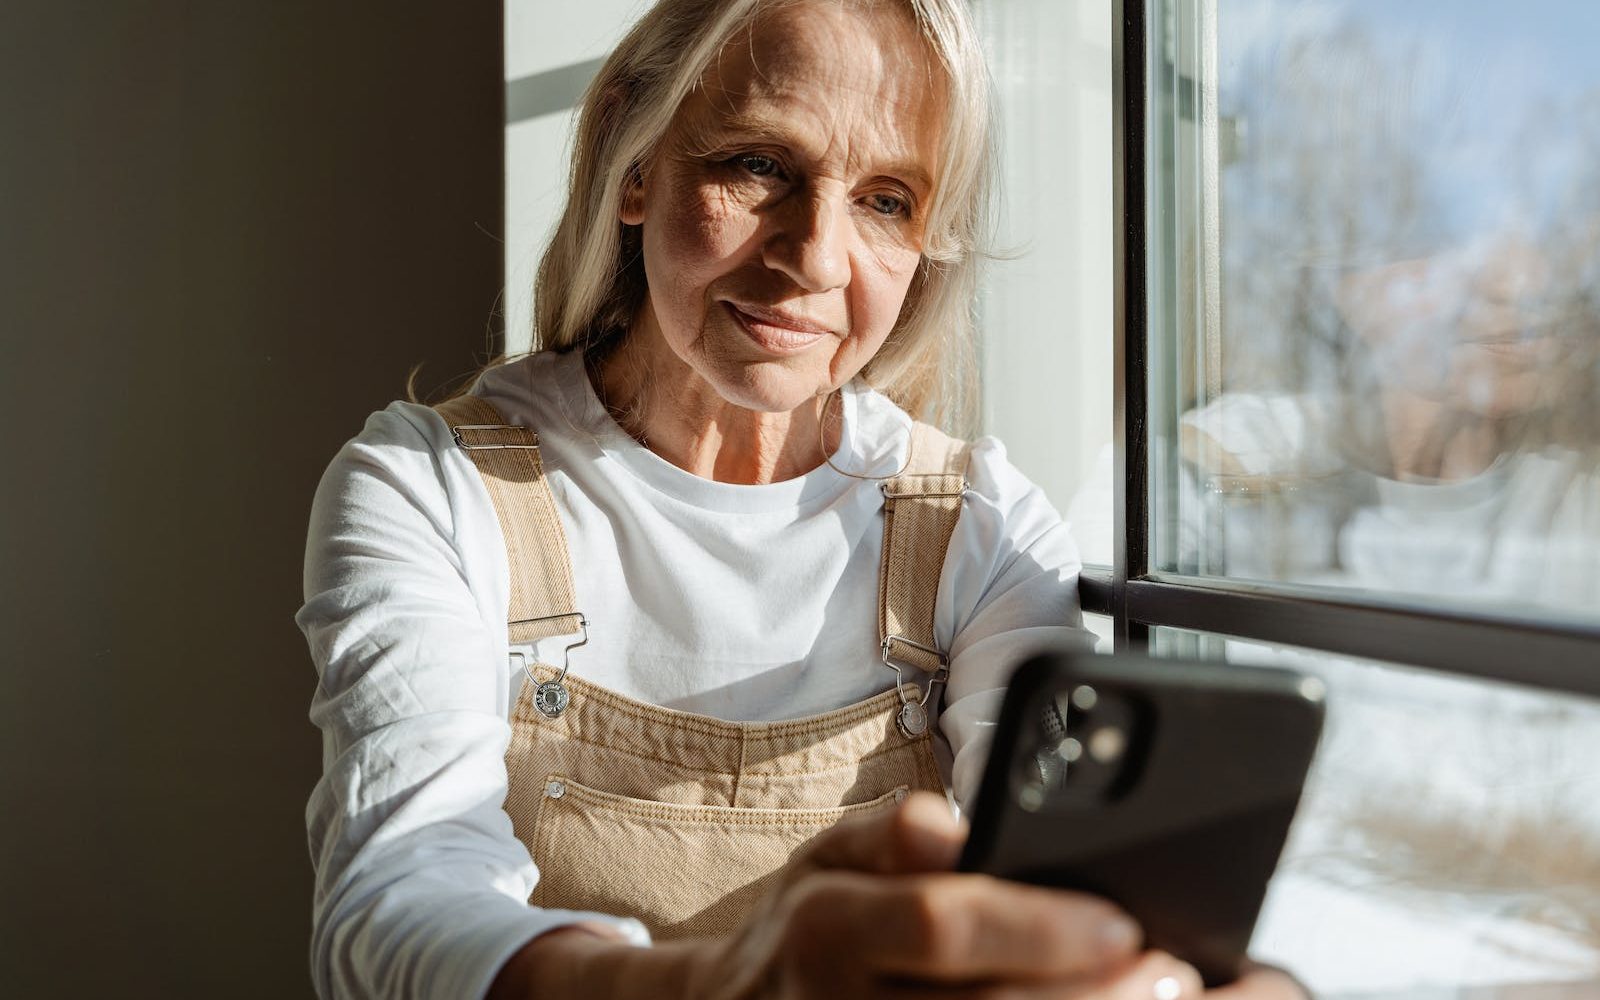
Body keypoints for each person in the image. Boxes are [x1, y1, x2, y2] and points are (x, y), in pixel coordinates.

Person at [297, 1, 1307, 998]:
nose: (816, 259)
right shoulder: (430, 485)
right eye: (761, 166)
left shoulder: (981, 524)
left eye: (886, 200)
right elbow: (396, 905)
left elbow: (1047, 878)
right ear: (632, 160)